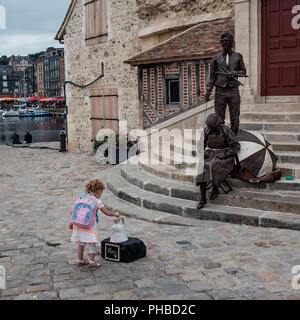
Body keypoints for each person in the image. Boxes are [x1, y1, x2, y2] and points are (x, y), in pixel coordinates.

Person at [69, 179, 120, 268]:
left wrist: (71, 223)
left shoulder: (81, 197)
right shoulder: (97, 201)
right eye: (101, 192)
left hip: (78, 225)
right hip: (89, 226)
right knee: (92, 243)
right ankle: (92, 262)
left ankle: (79, 260)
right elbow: (107, 212)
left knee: (80, 244)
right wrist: (115, 214)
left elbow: (73, 211)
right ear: (97, 191)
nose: (101, 195)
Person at [195, 113, 240, 210]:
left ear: (217, 125)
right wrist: (203, 153)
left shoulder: (226, 130)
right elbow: (200, 146)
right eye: (208, 126)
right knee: (202, 167)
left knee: (213, 164)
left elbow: (236, 147)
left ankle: (215, 189)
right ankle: (203, 199)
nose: (209, 129)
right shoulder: (206, 131)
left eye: (211, 127)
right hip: (211, 153)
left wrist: (225, 154)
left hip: (225, 155)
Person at [205, 32, 247, 136]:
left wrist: (235, 73)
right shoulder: (216, 57)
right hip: (220, 91)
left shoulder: (238, 56)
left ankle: (233, 137)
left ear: (231, 42)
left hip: (233, 91)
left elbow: (243, 71)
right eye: (222, 41)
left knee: (235, 117)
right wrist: (208, 91)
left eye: (226, 41)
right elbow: (212, 77)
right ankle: (221, 138)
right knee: (218, 118)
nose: (224, 43)